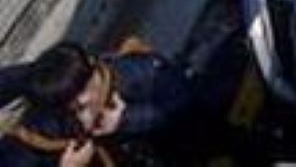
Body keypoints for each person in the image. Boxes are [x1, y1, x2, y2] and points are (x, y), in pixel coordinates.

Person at [0, 41, 193, 166]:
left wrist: (127, 119)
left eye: (82, 107)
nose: (83, 121)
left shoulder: (135, 74)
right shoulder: (42, 131)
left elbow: (184, 101)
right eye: (69, 111)